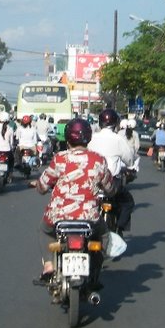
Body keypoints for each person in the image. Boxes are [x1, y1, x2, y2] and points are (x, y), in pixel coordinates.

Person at [30, 118, 115, 283]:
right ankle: (95, 273)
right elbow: (110, 188)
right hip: (89, 217)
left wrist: (39, 186)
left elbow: (43, 185)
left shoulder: (60, 158)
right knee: (104, 235)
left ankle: (48, 266)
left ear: (67, 138)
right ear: (88, 137)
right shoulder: (98, 160)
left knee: (44, 231)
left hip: (58, 216)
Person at [87, 108, 137, 234]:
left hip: (92, 182)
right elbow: (130, 161)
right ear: (115, 124)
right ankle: (119, 229)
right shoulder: (118, 140)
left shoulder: (91, 138)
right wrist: (130, 169)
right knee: (128, 202)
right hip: (112, 183)